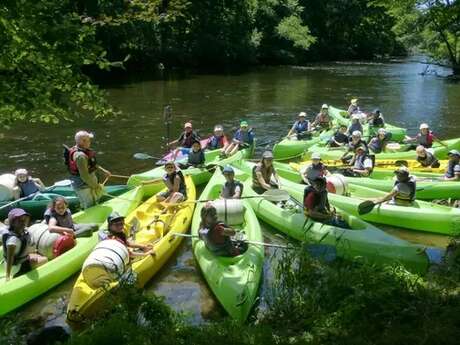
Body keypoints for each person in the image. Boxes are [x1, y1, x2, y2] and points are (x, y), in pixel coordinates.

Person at [66, 130, 111, 209]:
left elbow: (92, 163)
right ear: (83, 141)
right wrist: (95, 186)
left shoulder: (83, 150)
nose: (90, 142)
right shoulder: (80, 156)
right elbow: (84, 176)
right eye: (88, 140)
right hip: (84, 186)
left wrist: (103, 170)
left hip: (90, 183)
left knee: (97, 202)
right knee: (90, 207)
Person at [2, 208, 48, 281]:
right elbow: (10, 258)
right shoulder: (13, 240)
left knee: (37, 255)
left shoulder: (13, 230)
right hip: (16, 267)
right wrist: (8, 276)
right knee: (45, 259)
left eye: (25, 220)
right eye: (20, 220)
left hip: (13, 262)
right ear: (13, 223)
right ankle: (19, 274)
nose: (23, 222)